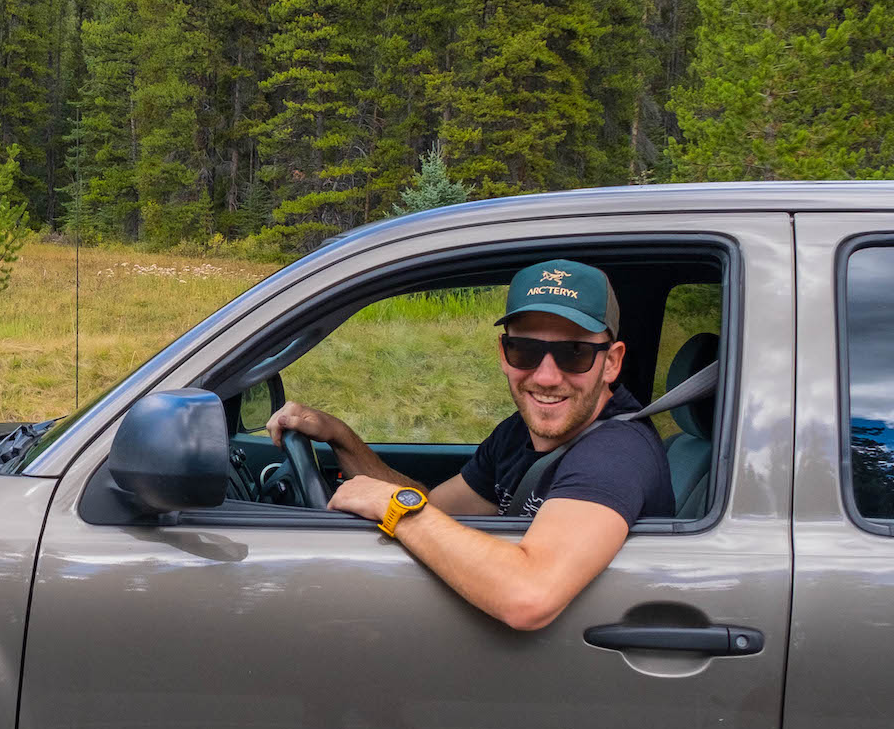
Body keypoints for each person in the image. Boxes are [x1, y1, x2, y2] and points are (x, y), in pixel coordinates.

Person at [266, 258, 674, 632]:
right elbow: (435, 508)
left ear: (613, 362)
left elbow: (529, 595)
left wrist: (395, 508)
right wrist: (340, 436)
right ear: (503, 353)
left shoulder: (614, 455)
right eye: (526, 350)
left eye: (574, 353)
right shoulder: (517, 433)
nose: (547, 377)